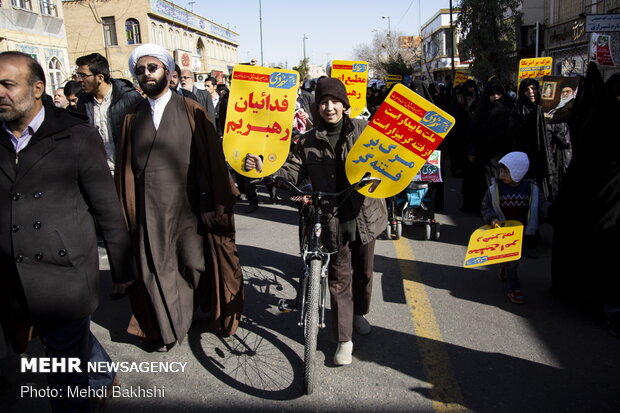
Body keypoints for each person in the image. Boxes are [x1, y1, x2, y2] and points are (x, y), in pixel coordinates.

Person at [0, 51, 136, 412]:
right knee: (57, 341)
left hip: (63, 277)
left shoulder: (75, 135)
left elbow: (106, 207)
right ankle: (102, 371)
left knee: (63, 382)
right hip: (11, 274)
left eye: (7, 85)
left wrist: (123, 270)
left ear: (37, 88)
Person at [245, 77, 387, 366]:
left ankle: (359, 312)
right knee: (339, 279)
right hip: (330, 218)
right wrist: (266, 169)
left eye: (335, 101)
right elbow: (291, 170)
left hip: (364, 216)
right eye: (323, 102)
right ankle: (344, 340)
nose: (329, 107)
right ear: (316, 106)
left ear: (344, 104)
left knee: (364, 275)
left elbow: (390, 157)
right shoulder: (307, 140)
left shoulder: (364, 130)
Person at [116, 44, 242, 350]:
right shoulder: (132, 117)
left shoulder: (191, 110)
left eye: (153, 68)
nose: (146, 73)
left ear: (169, 74)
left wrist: (211, 204)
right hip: (150, 210)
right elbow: (126, 170)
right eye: (141, 70)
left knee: (194, 264)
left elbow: (209, 163)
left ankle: (194, 305)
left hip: (190, 207)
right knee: (156, 269)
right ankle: (169, 328)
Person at [481, 152, 547, 304]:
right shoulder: (495, 189)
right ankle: (513, 288)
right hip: (504, 230)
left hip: (523, 231)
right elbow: (486, 206)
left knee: (517, 257)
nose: (502, 175)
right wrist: (492, 218)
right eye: (501, 171)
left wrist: (549, 210)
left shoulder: (531, 189)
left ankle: (504, 268)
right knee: (513, 260)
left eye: (506, 172)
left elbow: (540, 205)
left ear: (518, 171)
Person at [75, 52, 143, 172]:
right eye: (78, 75)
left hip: (127, 171)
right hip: (100, 173)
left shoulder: (129, 98)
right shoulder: (83, 102)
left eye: (83, 75)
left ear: (100, 78)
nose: (79, 80)